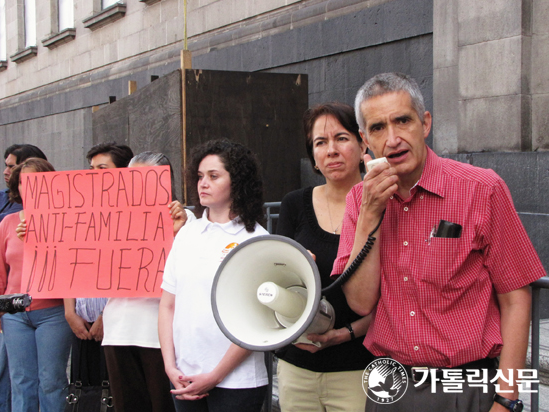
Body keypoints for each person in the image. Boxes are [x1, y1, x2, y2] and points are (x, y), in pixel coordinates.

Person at [331, 72, 546, 412]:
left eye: (402, 121)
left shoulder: (480, 189)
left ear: (425, 123)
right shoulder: (360, 200)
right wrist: (371, 214)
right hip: (391, 388)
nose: (392, 139)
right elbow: (359, 303)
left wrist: (506, 399)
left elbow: (516, 296)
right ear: (364, 140)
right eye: (377, 128)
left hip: (467, 386)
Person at [276, 102, 374, 412]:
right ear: (314, 159)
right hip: (297, 368)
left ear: (362, 145)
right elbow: (276, 279)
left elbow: (394, 297)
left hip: (358, 369)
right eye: (320, 142)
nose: (331, 150)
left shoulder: (384, 205)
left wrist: (343, 335)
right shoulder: (294, 204)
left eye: (341, 138)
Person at [159, 139, 269, 412]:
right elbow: (167, 305)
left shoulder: (257, 240)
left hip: (238, 383)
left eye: (213, 176)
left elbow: (258, 320)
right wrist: (170, 366)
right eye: (199, 176)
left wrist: (215, 375)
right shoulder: (186, 233)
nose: (202, 183)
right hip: (184, 378)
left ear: (238, 181)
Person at [101, 151, 192, 412]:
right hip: (118, 330)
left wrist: (178, 231)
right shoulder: (110, 219)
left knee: (162, 405)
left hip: (159, 335)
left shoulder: (187, 220)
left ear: (166, 181)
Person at [0, 158, 72, 412]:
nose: (28, 187)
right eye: (23, 182)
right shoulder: (7, 223)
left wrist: (42, 236)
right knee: (20, 380)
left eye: (35, 181)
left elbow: (72, 264)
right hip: (14, 313)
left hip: (52, 311)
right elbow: (0, 272)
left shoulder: (66, 221)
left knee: (52, 380)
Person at [61, 141, 135, 390]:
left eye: (102, 168)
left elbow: (133, 268)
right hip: (81, 321)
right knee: (85, 393)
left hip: (118, 322)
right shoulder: (78, 214)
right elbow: (69, 263)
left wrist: (107, 315)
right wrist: (70, 312)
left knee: (117, 391)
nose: (94, 176)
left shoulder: (135, 216)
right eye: (91, 169)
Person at [0, 144, 47, 224]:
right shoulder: (1, 196)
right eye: (6, 166)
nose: (5, 172)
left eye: (12, 167)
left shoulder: (46, 202)